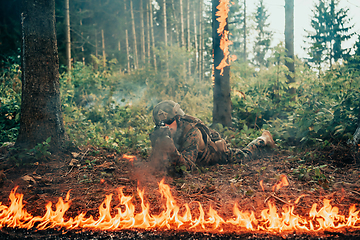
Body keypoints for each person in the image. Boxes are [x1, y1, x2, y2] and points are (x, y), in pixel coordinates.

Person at [149, 100, 276, 174]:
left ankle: (263, 139)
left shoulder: (192, 132)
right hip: (190, 153)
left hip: (214, 153)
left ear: (177, 118)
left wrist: (170, 149)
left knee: (244, 155)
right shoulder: (163, 132)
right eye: (161, 124)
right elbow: (156, 163)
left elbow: (186, 167)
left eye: (169, 122)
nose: (166, 126)